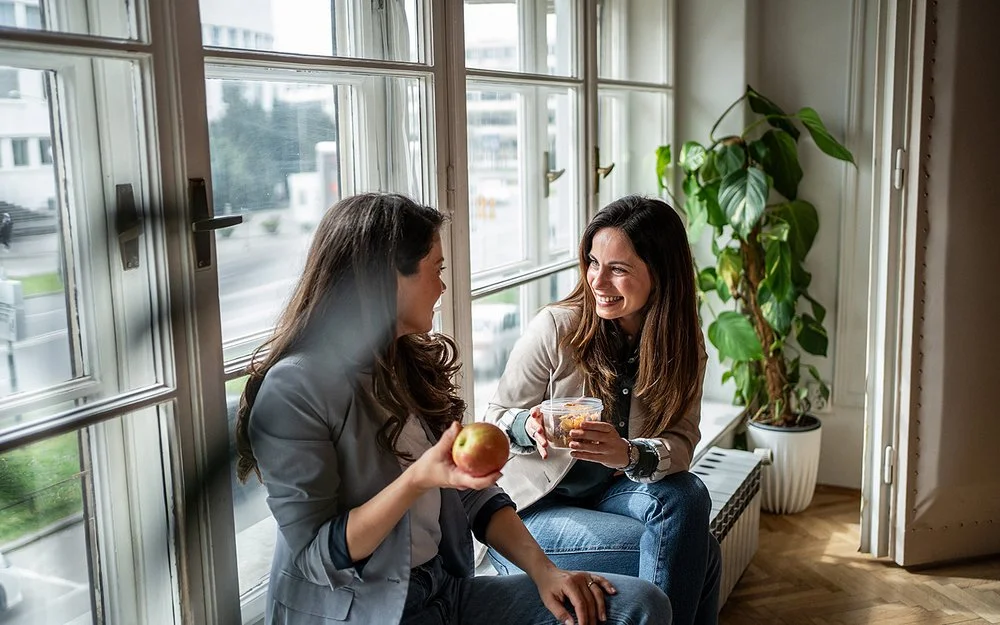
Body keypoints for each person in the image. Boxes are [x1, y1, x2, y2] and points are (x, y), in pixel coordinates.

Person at [234, 192, 672, 625]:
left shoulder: (409, 364)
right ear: (386, 278)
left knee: (640, 604)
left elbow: (474, 495)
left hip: (443, 589)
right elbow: (315, 558)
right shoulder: (296, 387)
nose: (443, 286)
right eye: (436, 269)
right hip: (366, 609)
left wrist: (545, 572)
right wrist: (417, 480)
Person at [484, 195, 721, 625]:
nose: (597, 280)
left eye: (618, 269)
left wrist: (628, 454)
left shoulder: (682, 344)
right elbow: (494, 419)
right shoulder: (556, 329)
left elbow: (682, 441)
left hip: (612, 495)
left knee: (689, 494)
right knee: (704, 553)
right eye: (593, 262)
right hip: (535, 510)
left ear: (660, 275)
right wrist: (526, 425)